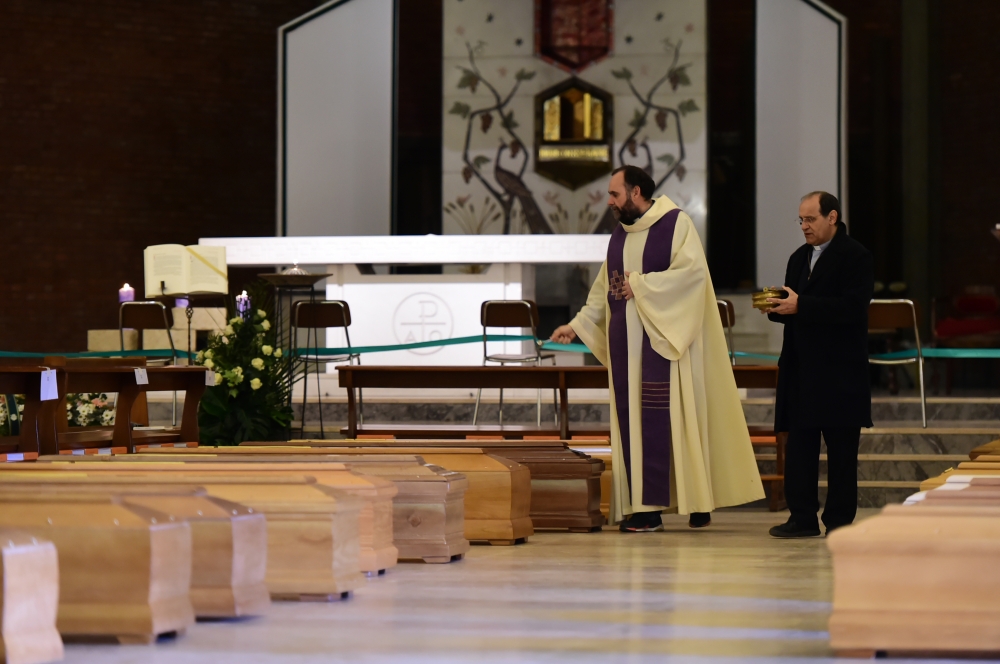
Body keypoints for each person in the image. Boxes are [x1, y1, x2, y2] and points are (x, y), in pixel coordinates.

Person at [550, 165, 764, 532]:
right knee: (640, 424)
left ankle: (665, 508)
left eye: (615, 194)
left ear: (635, 192)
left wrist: (643, 287)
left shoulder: (676, 224)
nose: (610, 202)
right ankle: (660, 505)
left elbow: (693, 276)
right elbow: (604, 290)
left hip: (666, 348)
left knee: (676, 422)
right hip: (628, 353)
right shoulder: (619, 236)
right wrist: (577, 324)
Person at [764, 191, 874, 538]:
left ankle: (840, 522)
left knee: (841, 452)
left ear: (832, 217)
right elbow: (797, 309)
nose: (804, 226)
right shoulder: (799, 258)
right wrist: (776, 308)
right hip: (802, 369)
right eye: (801, 220)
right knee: (800, 447)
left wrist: (802, 306)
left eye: (810, 219)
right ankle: (802, 518)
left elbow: (853, 309)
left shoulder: (855, 256)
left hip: (840, 370)